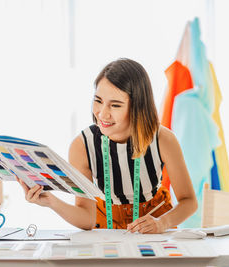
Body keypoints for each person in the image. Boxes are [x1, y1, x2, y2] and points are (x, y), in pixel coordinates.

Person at [17, 58, 197, 234]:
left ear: (138, 107)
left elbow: (189, 201)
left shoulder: (163, 139)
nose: (102, 114)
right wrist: (51, 202)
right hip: (105, 222)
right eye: (98, 100)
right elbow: (87, 217)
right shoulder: (82, 146)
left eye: (115, 105)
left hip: (155, 220)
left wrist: (162, 223)